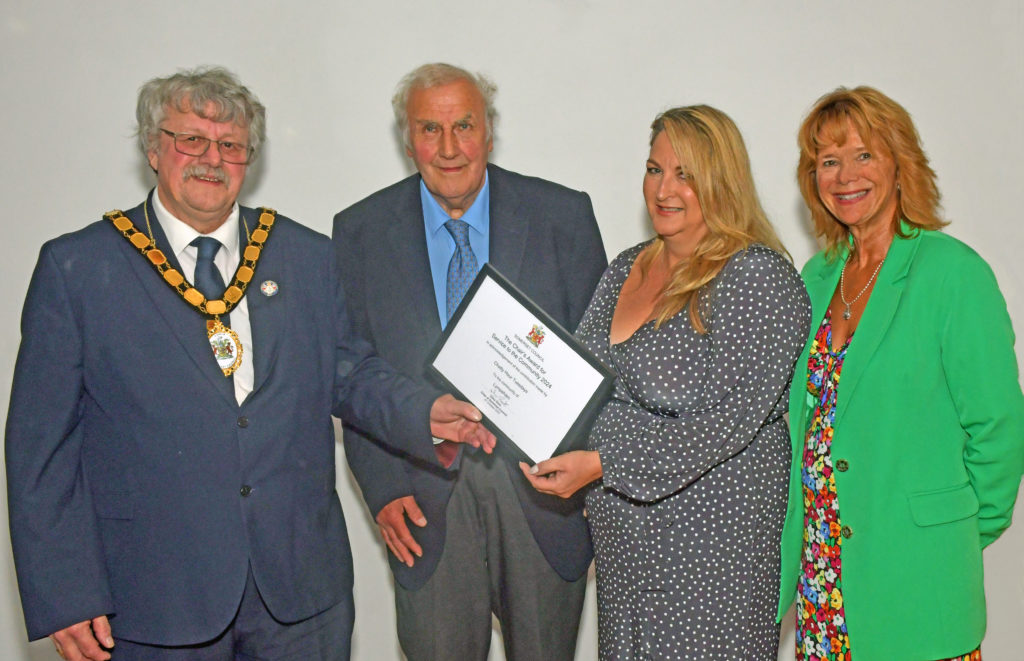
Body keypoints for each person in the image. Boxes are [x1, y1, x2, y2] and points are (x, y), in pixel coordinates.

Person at [4, 66, 494, 661]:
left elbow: (350, 372)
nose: (212, 158)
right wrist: (66, 591)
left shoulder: (305, 256)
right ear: (154, 149)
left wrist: (427, 411)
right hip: (152, 602)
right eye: (191, 140)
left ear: (249, 159)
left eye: (230, 145)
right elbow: (40, 448)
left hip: (300, 597)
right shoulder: (78, 269)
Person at [332, 62, 606, 660]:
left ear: (489, 131)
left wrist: (587, 470)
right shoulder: (358, 231)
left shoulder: (563, 217)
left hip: (541, 496)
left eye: (465, 126)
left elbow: (600, 363)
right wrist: (380, 489)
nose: (449, 148)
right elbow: (350, 372)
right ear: (408, 139)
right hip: (424, 497)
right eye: (431, 129)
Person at [522, 106, 810, 659]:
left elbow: (722, 423)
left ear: (722, 181)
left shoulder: (756, 276)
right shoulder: (628, 265)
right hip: (624, 543)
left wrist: (603, 464)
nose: (664, 188)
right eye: (655, 169)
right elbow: (574, 382)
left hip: (709, 552)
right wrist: (500, 381)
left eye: (686, 174)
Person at [778, 86, 1024, 661]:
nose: (845, 175)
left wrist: (946, 532)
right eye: (828, 162)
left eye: (864, 155)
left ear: (899, 162)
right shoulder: (816, 277)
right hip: (822, 580)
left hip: (919, 583)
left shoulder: (953, 274)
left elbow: (999, 429)